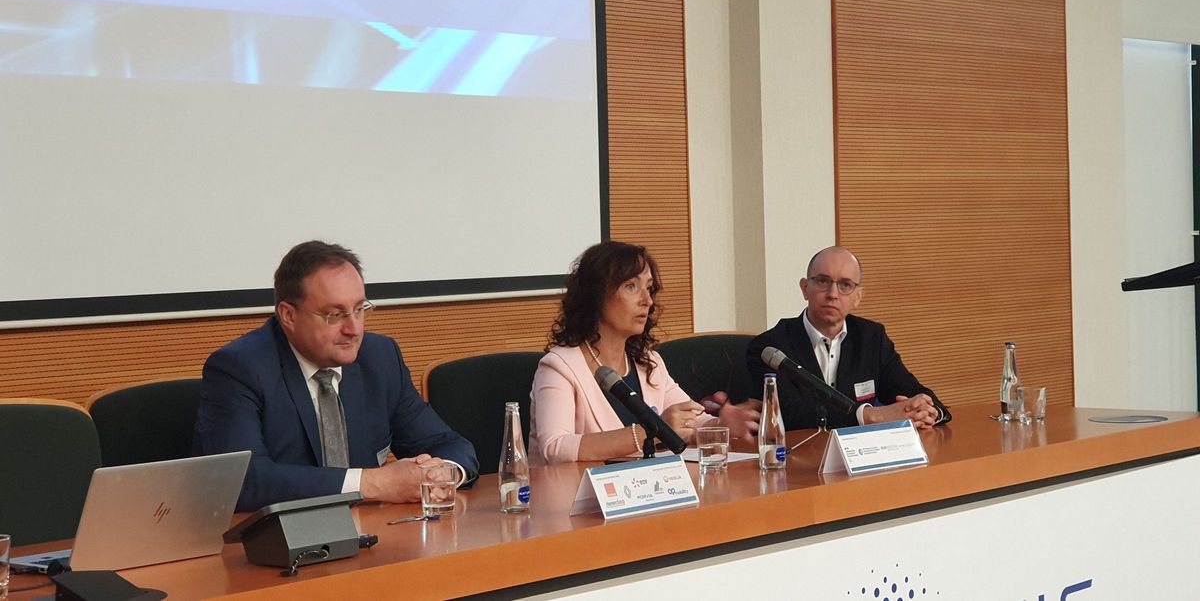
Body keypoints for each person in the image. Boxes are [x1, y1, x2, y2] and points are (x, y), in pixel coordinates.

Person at [194, 241, 478, 512]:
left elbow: (449, 445)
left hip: (373, 532)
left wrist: (444, 474)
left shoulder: (379, 357)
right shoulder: (240, 368)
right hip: (284, 539)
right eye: (335, 315)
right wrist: (373, 484)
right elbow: (242, 480)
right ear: (288, 315)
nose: (354, 329)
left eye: (359, 309)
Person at [529, 241, 760, 465]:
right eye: (631, 286)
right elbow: (555, 448)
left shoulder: (648, 362)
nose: (647, 301)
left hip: (643, 488)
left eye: (649, 288)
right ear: (595, 295)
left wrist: (720, 424)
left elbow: (688, 422)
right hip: (576, 490)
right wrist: (651, 431)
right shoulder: (560, 367)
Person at [746, 246, 950, 431]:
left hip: (861, 454)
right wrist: (870, 416)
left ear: (858, 297)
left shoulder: (871, 337)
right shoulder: (770, 348)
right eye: (823, 281)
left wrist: (929, 412)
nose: (833, 294)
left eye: (845, 285)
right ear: (805, 288)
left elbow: (909, 389)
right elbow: (789, 415)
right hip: (798, 454)